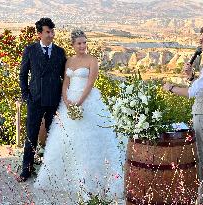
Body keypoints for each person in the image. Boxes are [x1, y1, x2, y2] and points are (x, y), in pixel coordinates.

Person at [34, 29, 125, 203]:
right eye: (79, 43)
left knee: (88, 140)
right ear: (73, 45)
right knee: (64, 139)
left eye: (84, 42)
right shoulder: (69, 61)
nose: (82, 46)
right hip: (69, 102)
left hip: (87, 100)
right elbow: (65, 83)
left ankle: (89, 181)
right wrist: (66, 100)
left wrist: (79, 102)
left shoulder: (92, 60)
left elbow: (90, 83)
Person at [163, 25, 203, 205]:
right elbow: (202, 87)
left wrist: (171, 88)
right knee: (202, 162)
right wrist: (192, 77)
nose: (200, 41)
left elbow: (193, 92)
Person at [18, 18, 66, 182]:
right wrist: (26, 95)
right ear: (39, 34)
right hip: (35, 100)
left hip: (54, 100)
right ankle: (27, 169)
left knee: (53, 135)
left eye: (53, 31)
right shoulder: (30, 50)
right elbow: (23, 75)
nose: (51, 35)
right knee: (31, 135)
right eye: (48, 32)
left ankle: (51, 168)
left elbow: (65, 77)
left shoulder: (60, 52)